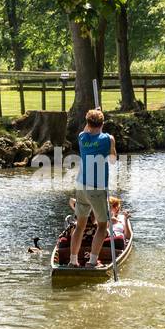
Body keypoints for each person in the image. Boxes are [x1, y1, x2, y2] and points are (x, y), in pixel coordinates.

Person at [69, 108, 116, 268]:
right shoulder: (108, 139)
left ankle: (73, 260)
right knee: (103, 225)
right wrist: (111, 143)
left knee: (79, 225)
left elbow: (86, 130)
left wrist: (93, 118)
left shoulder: (82, 137)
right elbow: (112, 160)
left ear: (88, 123)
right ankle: (92, 261)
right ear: (102, 123)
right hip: (96, 188)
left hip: (81, 186)